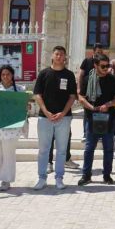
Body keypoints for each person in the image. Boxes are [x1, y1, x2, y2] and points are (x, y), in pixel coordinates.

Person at [33, 46, 77, 191]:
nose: (59, 57)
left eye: (62, 54)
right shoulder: (44, 74)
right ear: (52, 56)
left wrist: (63, 113)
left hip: (63, 118)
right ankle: (41, 178)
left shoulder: (69, 75)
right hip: (45, 118)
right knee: (43, 150)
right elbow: (37, 95)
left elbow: (72, 96)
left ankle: (59, 178)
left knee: (62, 150)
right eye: (57, 54)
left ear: (65, 57)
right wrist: (45, 111)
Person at [78, 54, 115, 186]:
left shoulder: (113, 80)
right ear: (95, 65)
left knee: (108, 149)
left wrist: (107, 105)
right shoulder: (87, 79)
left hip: (109, 119)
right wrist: (92, 107)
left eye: (107, 65)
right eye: (102, 66)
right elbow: (81, 97)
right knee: (89, 148)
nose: (106, 68)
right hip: (91, 118)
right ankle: (86, 175)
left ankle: (107, 175)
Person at [0, 65, 26, 192]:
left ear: (12, 75)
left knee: (9, 154)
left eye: (8, 74)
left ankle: (6, 180)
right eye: (3, 75)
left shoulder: (19, 90)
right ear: (0, 76)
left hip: (11, 129)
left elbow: (23, 107)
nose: (5, 77)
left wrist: (25, 107)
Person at [78, 43, 105, 143]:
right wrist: (79, 89)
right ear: (93, 52)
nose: (99, 54)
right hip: (87, 90)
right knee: (87, 112)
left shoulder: (104, 61)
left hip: (100, 90)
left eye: (101, 52)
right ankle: (86, 133)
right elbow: (80, 75)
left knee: (100, 111)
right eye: (98, 52)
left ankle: (100, 133)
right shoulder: (87, 61)